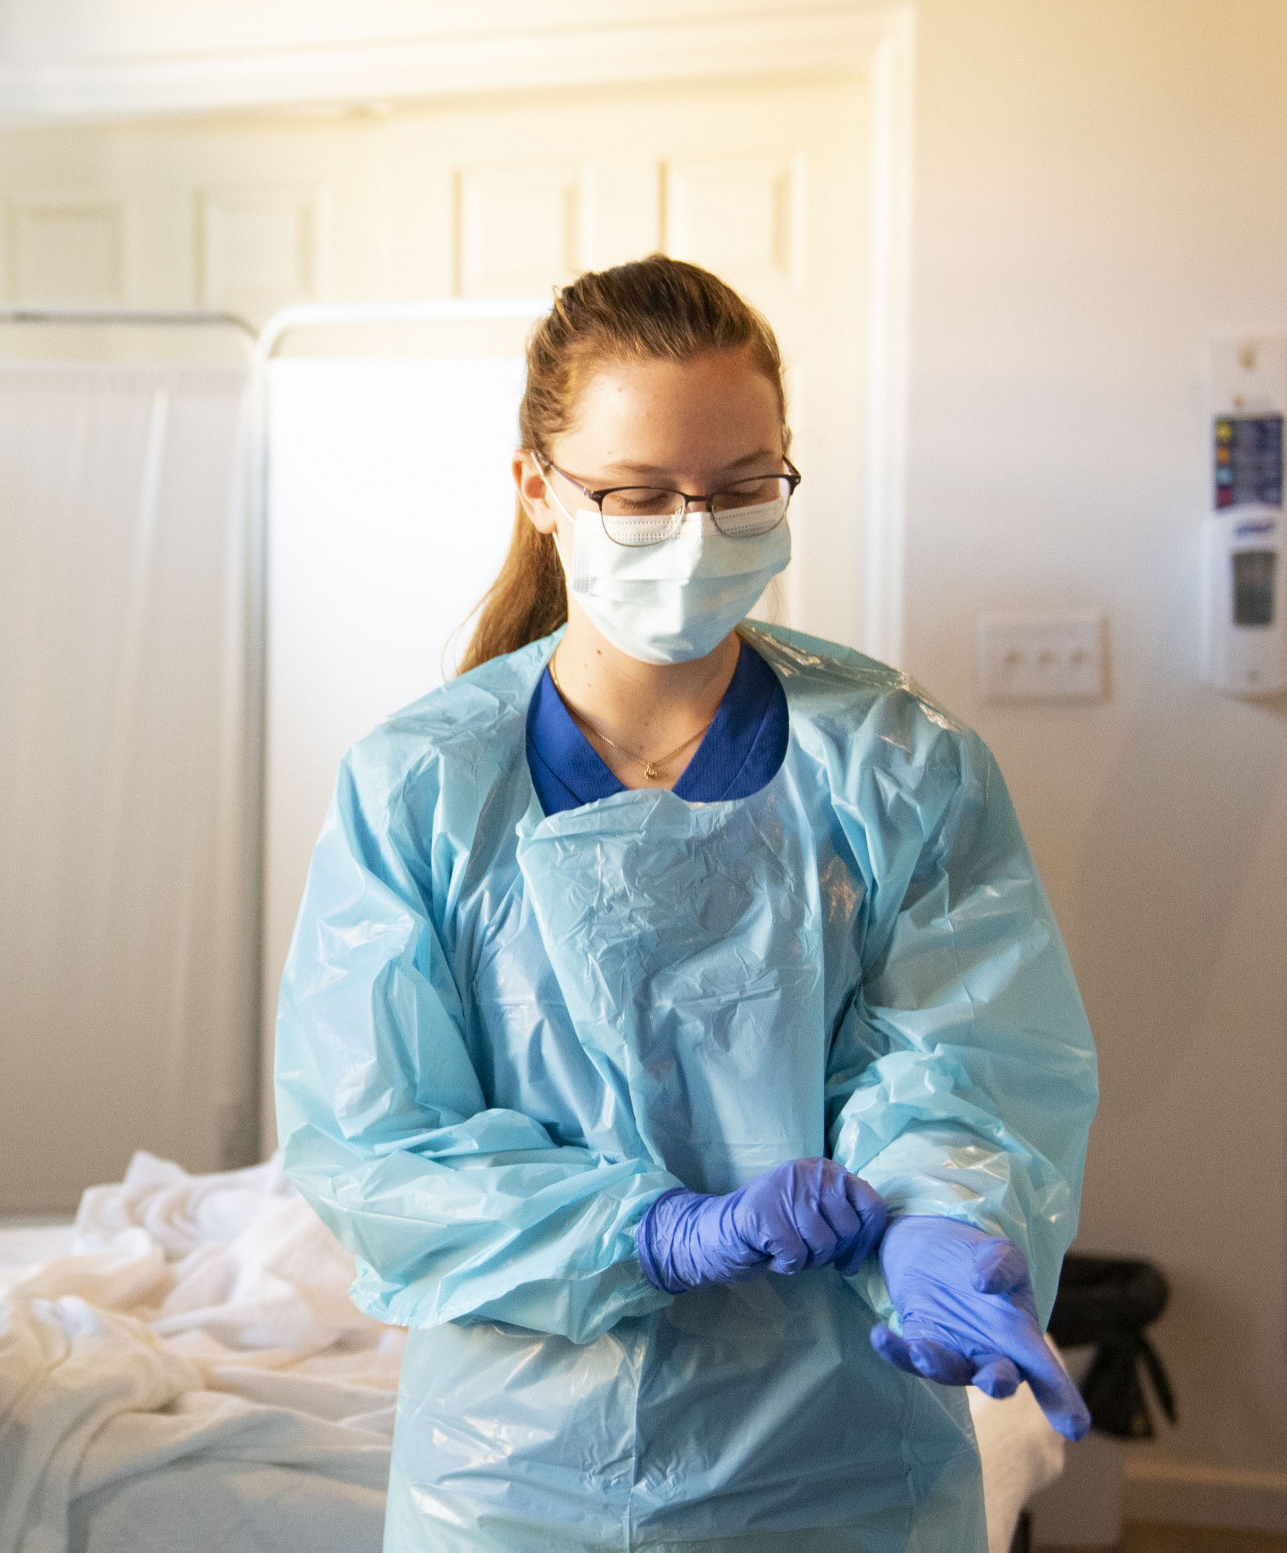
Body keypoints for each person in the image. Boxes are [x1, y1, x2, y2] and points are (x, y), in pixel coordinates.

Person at [274, 257, 1099, 1551]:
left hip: (843, 1467)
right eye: (640, 496)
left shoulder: (895, 764)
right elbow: (376, 1150)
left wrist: (944, 1218)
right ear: (537, 490)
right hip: (514, 1471)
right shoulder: (420, 788)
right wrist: (653, 1231)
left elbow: (966, 1062)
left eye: (739, 489)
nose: (696, 532)